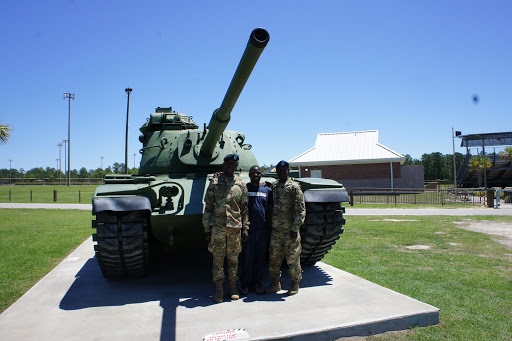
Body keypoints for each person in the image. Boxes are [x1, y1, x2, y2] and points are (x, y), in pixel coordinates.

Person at [203, 154, 250, 303]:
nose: (230, 165)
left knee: (233, 258)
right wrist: (207, 229)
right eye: (228, 163)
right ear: (224, 164)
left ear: (236, 166)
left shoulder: (241, 184)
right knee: (218, 258)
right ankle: (218, 288)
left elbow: (244, 208)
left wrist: (245, 228)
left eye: (233, 163)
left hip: (235, 227)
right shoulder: (215, 182)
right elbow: (208, 207)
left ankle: (233, 287)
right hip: (217, 226)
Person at [265, 160, 306, 296]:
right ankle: (275, 283)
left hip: (290, 231)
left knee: (292, 258)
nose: (282, 172)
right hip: (276, 231)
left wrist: (295, 228)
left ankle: (295, 283)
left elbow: (300, 210)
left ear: (288, 171)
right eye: (279, 171)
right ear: (277, 172)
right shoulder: (275, 186)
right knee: (274, 258)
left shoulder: (294, 187)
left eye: (284, 170)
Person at [239, 165, 272, 295]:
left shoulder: (266, 190)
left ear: (261, 175)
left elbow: (271, 206)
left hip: (262, 230)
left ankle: (258, 284)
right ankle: (245, 285)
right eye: (253, 173)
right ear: (249, 175)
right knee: (247, 259)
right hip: (248, 230)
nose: (256, 175)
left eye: (258, 173)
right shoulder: (244, 189)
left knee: (260, 259)